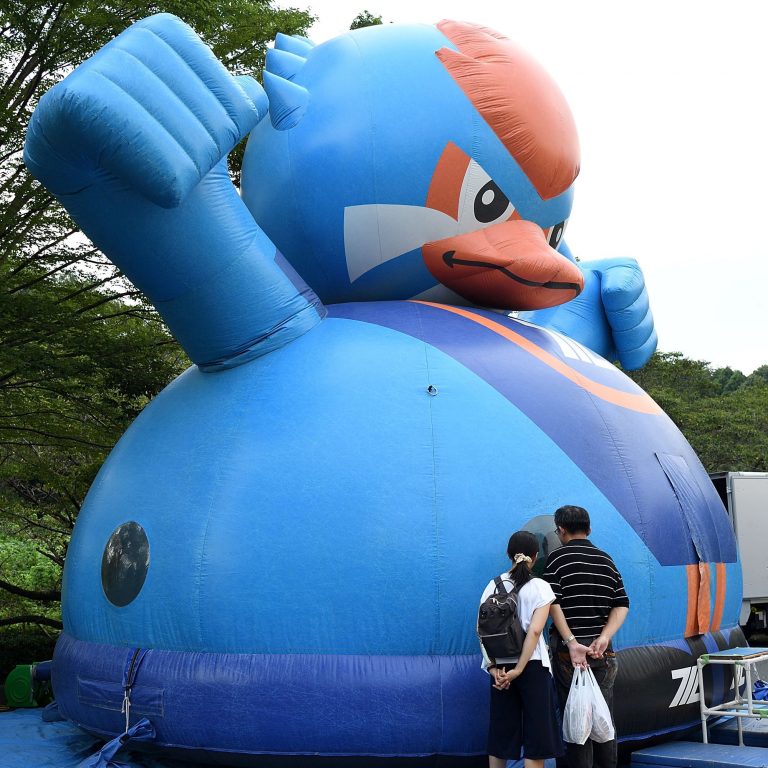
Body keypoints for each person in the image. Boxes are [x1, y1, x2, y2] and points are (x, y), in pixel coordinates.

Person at [543, 505, 630, 768]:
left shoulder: (556, 560)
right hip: (602, 652)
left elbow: (552, 602)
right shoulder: (606, 559)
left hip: (569, 655)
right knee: (604, 722)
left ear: (561, 530)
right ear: (589, 529)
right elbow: (622, 603)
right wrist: (604, 637)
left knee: (577, 721)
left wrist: (571, 642)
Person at [479, 530, 565, 768]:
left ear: (509, 554)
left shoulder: (493, 585)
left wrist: (493, 668)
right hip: (533, 667)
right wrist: (519, 669)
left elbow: (482, 630)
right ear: (535, 556)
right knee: (537, 736)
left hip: (500, 669)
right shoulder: (540, 587)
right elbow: (535, 632)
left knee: (501, 733)